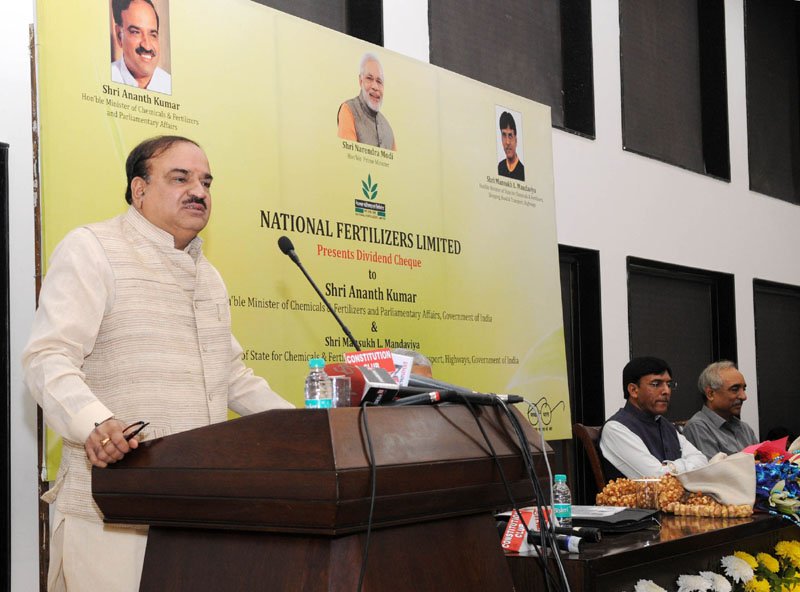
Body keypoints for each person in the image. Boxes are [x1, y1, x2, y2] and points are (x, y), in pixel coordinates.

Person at [22, 135, 293, 592]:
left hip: (197, 514)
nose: (199, 191)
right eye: (180, 178)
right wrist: (95, 423)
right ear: (139, 189)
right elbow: (48, 356)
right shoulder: (93, 248)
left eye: (206, 182)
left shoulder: (208, 276)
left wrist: (307, 428)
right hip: (112, 514)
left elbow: (232, 377)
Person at [600, 356, 707, 479]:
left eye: (669, 384)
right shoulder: (616, 428)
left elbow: (702, 462)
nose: (666, 391)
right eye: (656, 384)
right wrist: (682, 466)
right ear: (633, 390)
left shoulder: (665, 424)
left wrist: (670, 467)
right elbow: (656, 478)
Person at [682, 361, 758, 458]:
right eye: (735, 389)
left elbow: (764, 463)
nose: (744, 396)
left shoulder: (745, 428)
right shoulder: (697, 427)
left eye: (744, 389)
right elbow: (715, 467)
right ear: (710, 394)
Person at [337, 53, 396, 150]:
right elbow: (347, 156)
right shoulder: (349, 110)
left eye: (379, 81)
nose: (375, 87)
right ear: (360, 81)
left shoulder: (387, 128)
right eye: (369, 78)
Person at [110, 0, 172, 94]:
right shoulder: (103, 78)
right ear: (119, 35)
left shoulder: (170, 86)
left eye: (153, 35)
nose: (147, 46)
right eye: (136, 32)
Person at [497, 111, 525, 181]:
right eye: (504, 135)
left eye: (510, 135)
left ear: (516, 139)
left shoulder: (523, 172)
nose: (507, 142)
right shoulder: (500, 167)